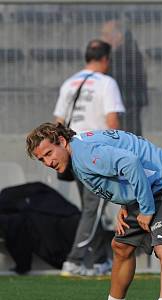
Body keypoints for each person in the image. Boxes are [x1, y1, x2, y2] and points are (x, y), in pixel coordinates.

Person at [26, 122, 162, 300]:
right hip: (145, 191)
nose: (48, 162)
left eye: (49, 153)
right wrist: (126, 203)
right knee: (121, 247)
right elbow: (118, 168)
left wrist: (146, 210)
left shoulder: (84, 154)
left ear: (61, 141)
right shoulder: (78, 148)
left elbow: (130, 162)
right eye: (42, 159)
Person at [53, 39, 125, 276]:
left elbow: (57, 124)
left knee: (90, 208)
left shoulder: (68, 83)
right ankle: (73, 261)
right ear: (105, 59)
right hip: (95, 154)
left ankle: (99, 261)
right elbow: (112, 121)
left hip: (71, 152)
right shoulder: (107, 83)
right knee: (93, 210)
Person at [102, 20, 148, 136]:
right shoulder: (123, 51)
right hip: (126, 102)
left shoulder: (127, 53)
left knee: (128, 139)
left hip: (127, 102)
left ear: (118, 35)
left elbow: (119, 77)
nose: (103, 39)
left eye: (106, 35)